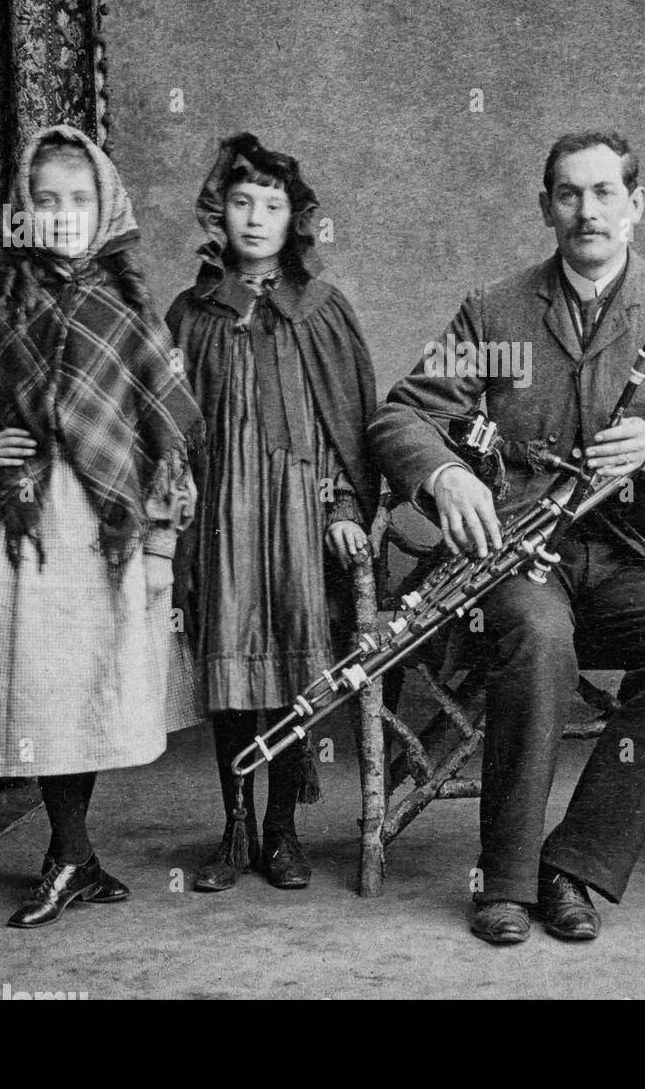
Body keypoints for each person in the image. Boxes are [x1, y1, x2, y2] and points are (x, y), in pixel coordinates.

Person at [369, 129, 645, 945]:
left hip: (638, 547)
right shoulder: (495, 308)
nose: (587, 211)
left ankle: (577, 867)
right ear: (545, 207)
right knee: (534, 633)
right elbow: (401, 413)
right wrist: (446, 475)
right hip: (528, 550)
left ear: (636, 206)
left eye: (604, 194)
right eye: (569, 194)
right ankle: (509, 877)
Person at [0, 124, 204, 930]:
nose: (62, 215)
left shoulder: (127, 305)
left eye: (79, 199)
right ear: (21, 211)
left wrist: (162, 553)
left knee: (84, 691)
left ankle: (73, 855)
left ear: (107, 206)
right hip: (23, 524)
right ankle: (74, 854)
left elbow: (164, 441)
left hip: (104, 532)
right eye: (44, 200)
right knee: (38, 694)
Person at [166, 135, 377, 893]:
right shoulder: (190, 314)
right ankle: (236, 824)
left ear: (297, 218)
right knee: (232, 668)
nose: (256, 217)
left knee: (294, 668)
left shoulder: (321, 311)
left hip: (300, 513)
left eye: (273, 204)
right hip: (222, 514)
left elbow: (349, 425)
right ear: (219, 212)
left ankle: (283, 827)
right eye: (242, 201)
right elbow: (166, 422)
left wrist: (345, 503)